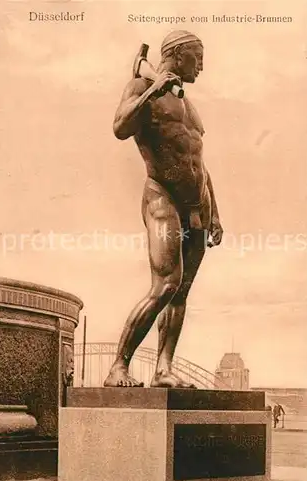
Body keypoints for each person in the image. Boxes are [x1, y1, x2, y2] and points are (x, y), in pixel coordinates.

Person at [104, 30, 223, 388]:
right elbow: (120, 128)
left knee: (181, 291)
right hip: (162, 197)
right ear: (177, 54)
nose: (201, 66)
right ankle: (118, 367)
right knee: (166, 284)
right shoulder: (142, 86)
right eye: (197, 58)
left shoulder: (189, 105)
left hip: (197, 206)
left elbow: (197, 161)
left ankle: (164, 369)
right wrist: (152, 92)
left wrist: (214, 211)